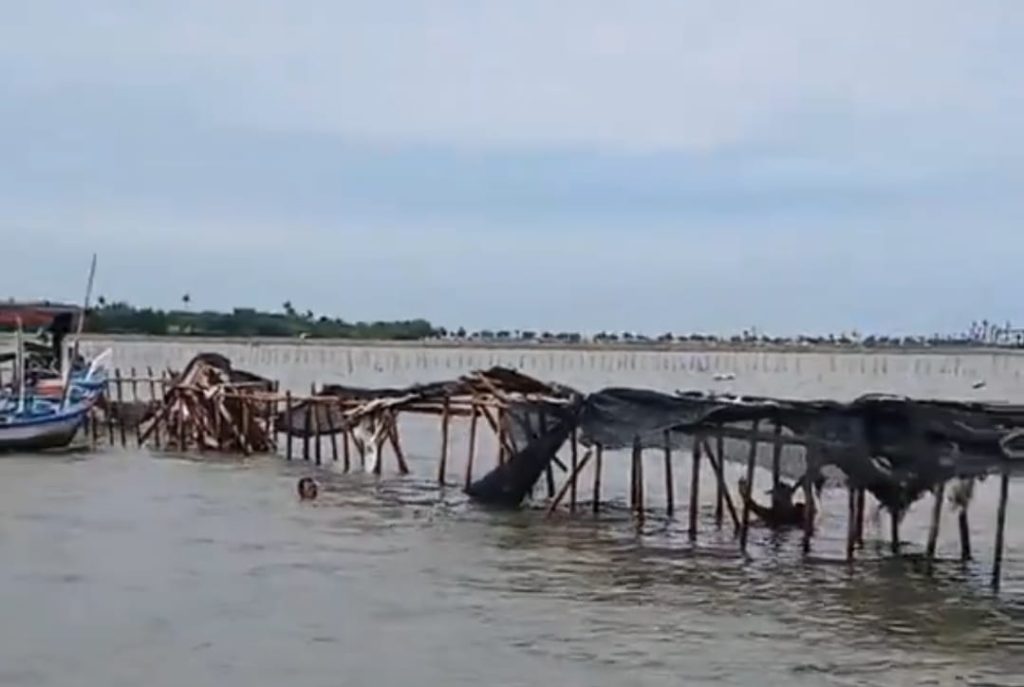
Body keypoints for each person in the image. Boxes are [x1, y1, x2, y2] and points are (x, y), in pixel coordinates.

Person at [737, 475, 815, 529]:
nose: (774, 499)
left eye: (776, 498)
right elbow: (752, 506)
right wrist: (743, 492)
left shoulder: (798, 512)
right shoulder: (772, 514)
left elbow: (811, 511)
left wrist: (806, 489)